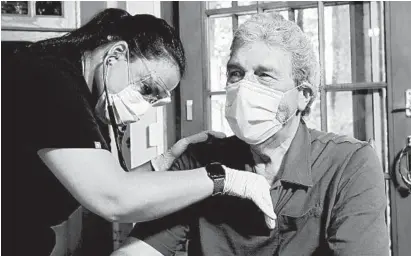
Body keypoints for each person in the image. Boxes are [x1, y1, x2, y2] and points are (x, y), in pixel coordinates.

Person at [112, 12, 390, 256]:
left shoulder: (349, 164)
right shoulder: (201, 160)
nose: (244, 88)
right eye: (236, 73)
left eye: (264, 75)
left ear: (303, 96)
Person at [5, 9, 276, 255]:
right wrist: (223, 178)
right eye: (147, 90)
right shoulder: (50, 82)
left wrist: (163, 161)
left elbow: (102, 182)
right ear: (116, 55)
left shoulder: (86, 97)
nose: (142, 108)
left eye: (154, 99)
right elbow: (113, 199)